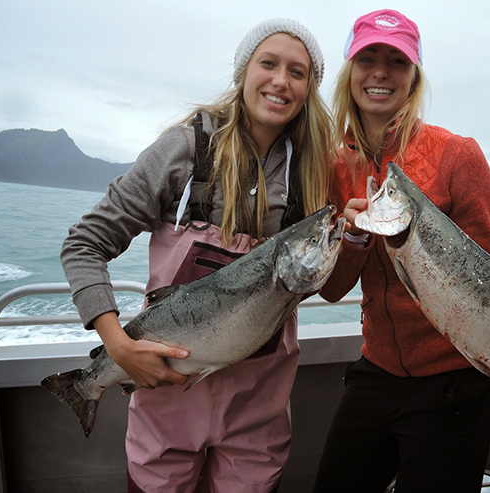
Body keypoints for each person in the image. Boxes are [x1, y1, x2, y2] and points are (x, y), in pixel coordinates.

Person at [61, 18, 331, 493]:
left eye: (298, 72)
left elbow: (319, 281)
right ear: (243, 71)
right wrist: (119, 347)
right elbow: (85, 243)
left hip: (259, 404)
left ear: (309, 89)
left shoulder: (311, 174)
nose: (281, 81)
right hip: (164, 394)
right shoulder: (184, 150)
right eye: (268, 63)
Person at [312, 9, 490, 493]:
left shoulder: (457, 155)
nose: (380, 72)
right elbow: (332, 290)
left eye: (396, 60)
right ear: (349, 71)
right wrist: (353, 235)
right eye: (367, 57)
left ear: (414, 75)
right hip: (375, 369)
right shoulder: (333, 167)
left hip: (455, 381)